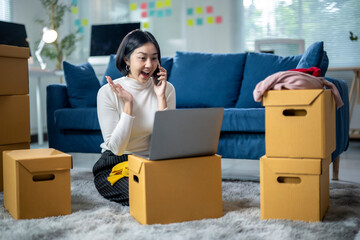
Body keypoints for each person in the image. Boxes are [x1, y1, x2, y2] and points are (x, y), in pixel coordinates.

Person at [92, 29, 176, 206]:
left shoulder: (167, 89)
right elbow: (116, 148)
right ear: (126, 59)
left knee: (187, 184)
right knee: (145, 193)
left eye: (154, 58)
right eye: (142, 58)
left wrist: (161, 98)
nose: (149, 64)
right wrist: (128, 105)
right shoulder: (107, 92)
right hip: (116, 163)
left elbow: (167, 144)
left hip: (152, 161)